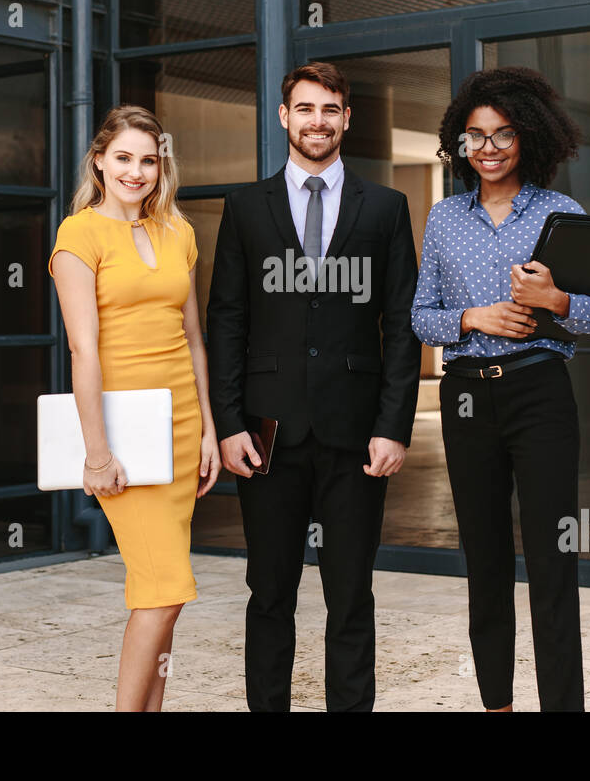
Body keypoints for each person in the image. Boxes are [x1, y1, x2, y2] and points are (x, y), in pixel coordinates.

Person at [206, 62, 420, 711]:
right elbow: (227, 321)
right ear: (283, 117)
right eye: (305, 109)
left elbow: (403, 326)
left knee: (351, 595)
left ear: (346, 119)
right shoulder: (245, 208)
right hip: (267, 434)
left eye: (330, 110)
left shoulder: (385, 207)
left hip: (356, 436)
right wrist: (229, 422)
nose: (317, 122)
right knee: (269, 593)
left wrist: (393, 426)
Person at [411, 66, 590, 712]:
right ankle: (496, 705)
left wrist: (554, 298)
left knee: (553, 565)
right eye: (475, 136)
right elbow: (421, 314)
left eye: (503, 134)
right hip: (468, 397)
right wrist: (472, 318)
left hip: (540, 392)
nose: (490, 147)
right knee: (486, 562)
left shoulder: (561, 213)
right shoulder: (445, 218)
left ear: (529, 137)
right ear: (459, 144)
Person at [48, 104, 221, 712]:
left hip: (179, 426)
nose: (137, 171)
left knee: (161, 594)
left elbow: (194, 337)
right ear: (99, 161)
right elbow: (81, 350)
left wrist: (207, 430)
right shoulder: (79, 234)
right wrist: (96, 453)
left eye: (148, 159)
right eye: (123, 158)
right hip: (122, 432)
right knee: (163, 590)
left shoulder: (180, 232)